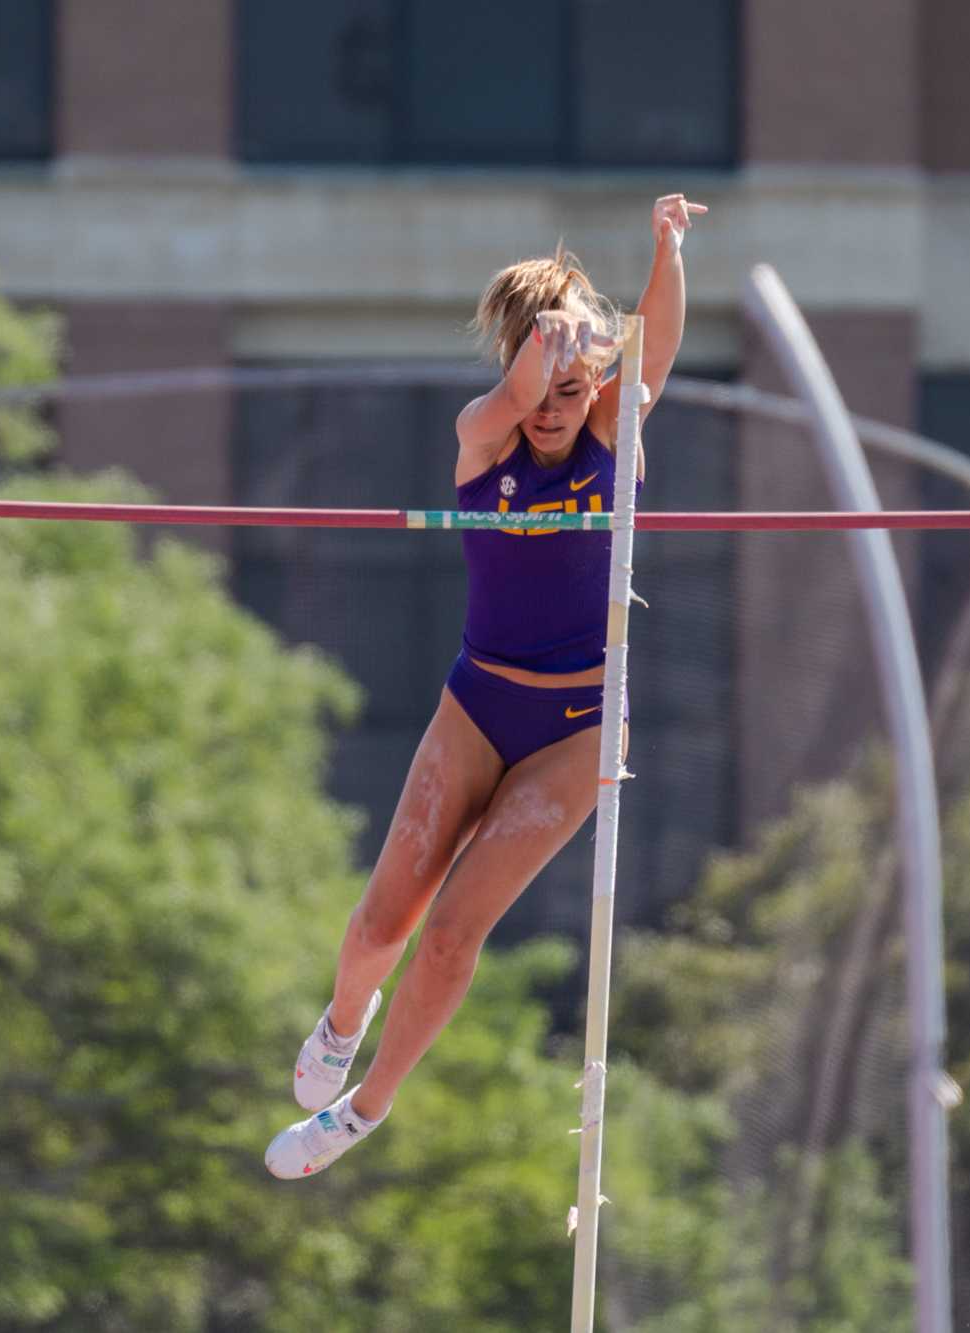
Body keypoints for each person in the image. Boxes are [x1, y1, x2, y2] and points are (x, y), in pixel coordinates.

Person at [267, 194, 708, 1179]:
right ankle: (340, 1023)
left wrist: (664, 252)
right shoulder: (483, 435)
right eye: (540, 388)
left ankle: (362, 1109)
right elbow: (511, 397)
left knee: (452, 933)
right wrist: (541, 353)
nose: (553, 411)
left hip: (579, 726)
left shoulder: (607, 421)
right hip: (478, 703)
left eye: (569, 389)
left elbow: (659, 342)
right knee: (385, 919)